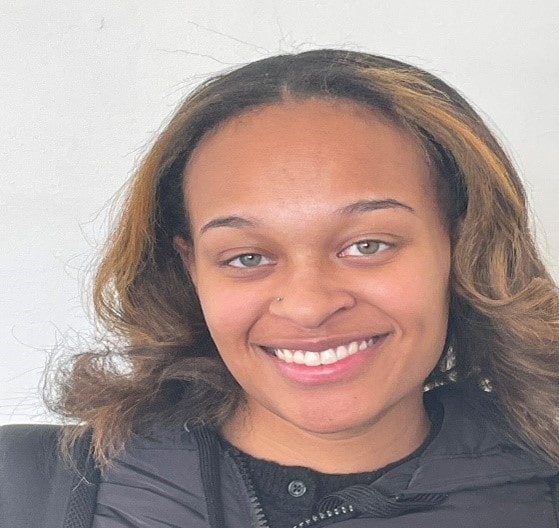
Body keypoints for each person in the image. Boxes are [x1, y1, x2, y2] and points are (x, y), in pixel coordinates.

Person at [1, 49, 558, 528]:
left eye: (367, 245)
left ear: (460, 245)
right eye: (247, 256)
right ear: (192, 267)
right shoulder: (22, 488)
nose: (311, 307)